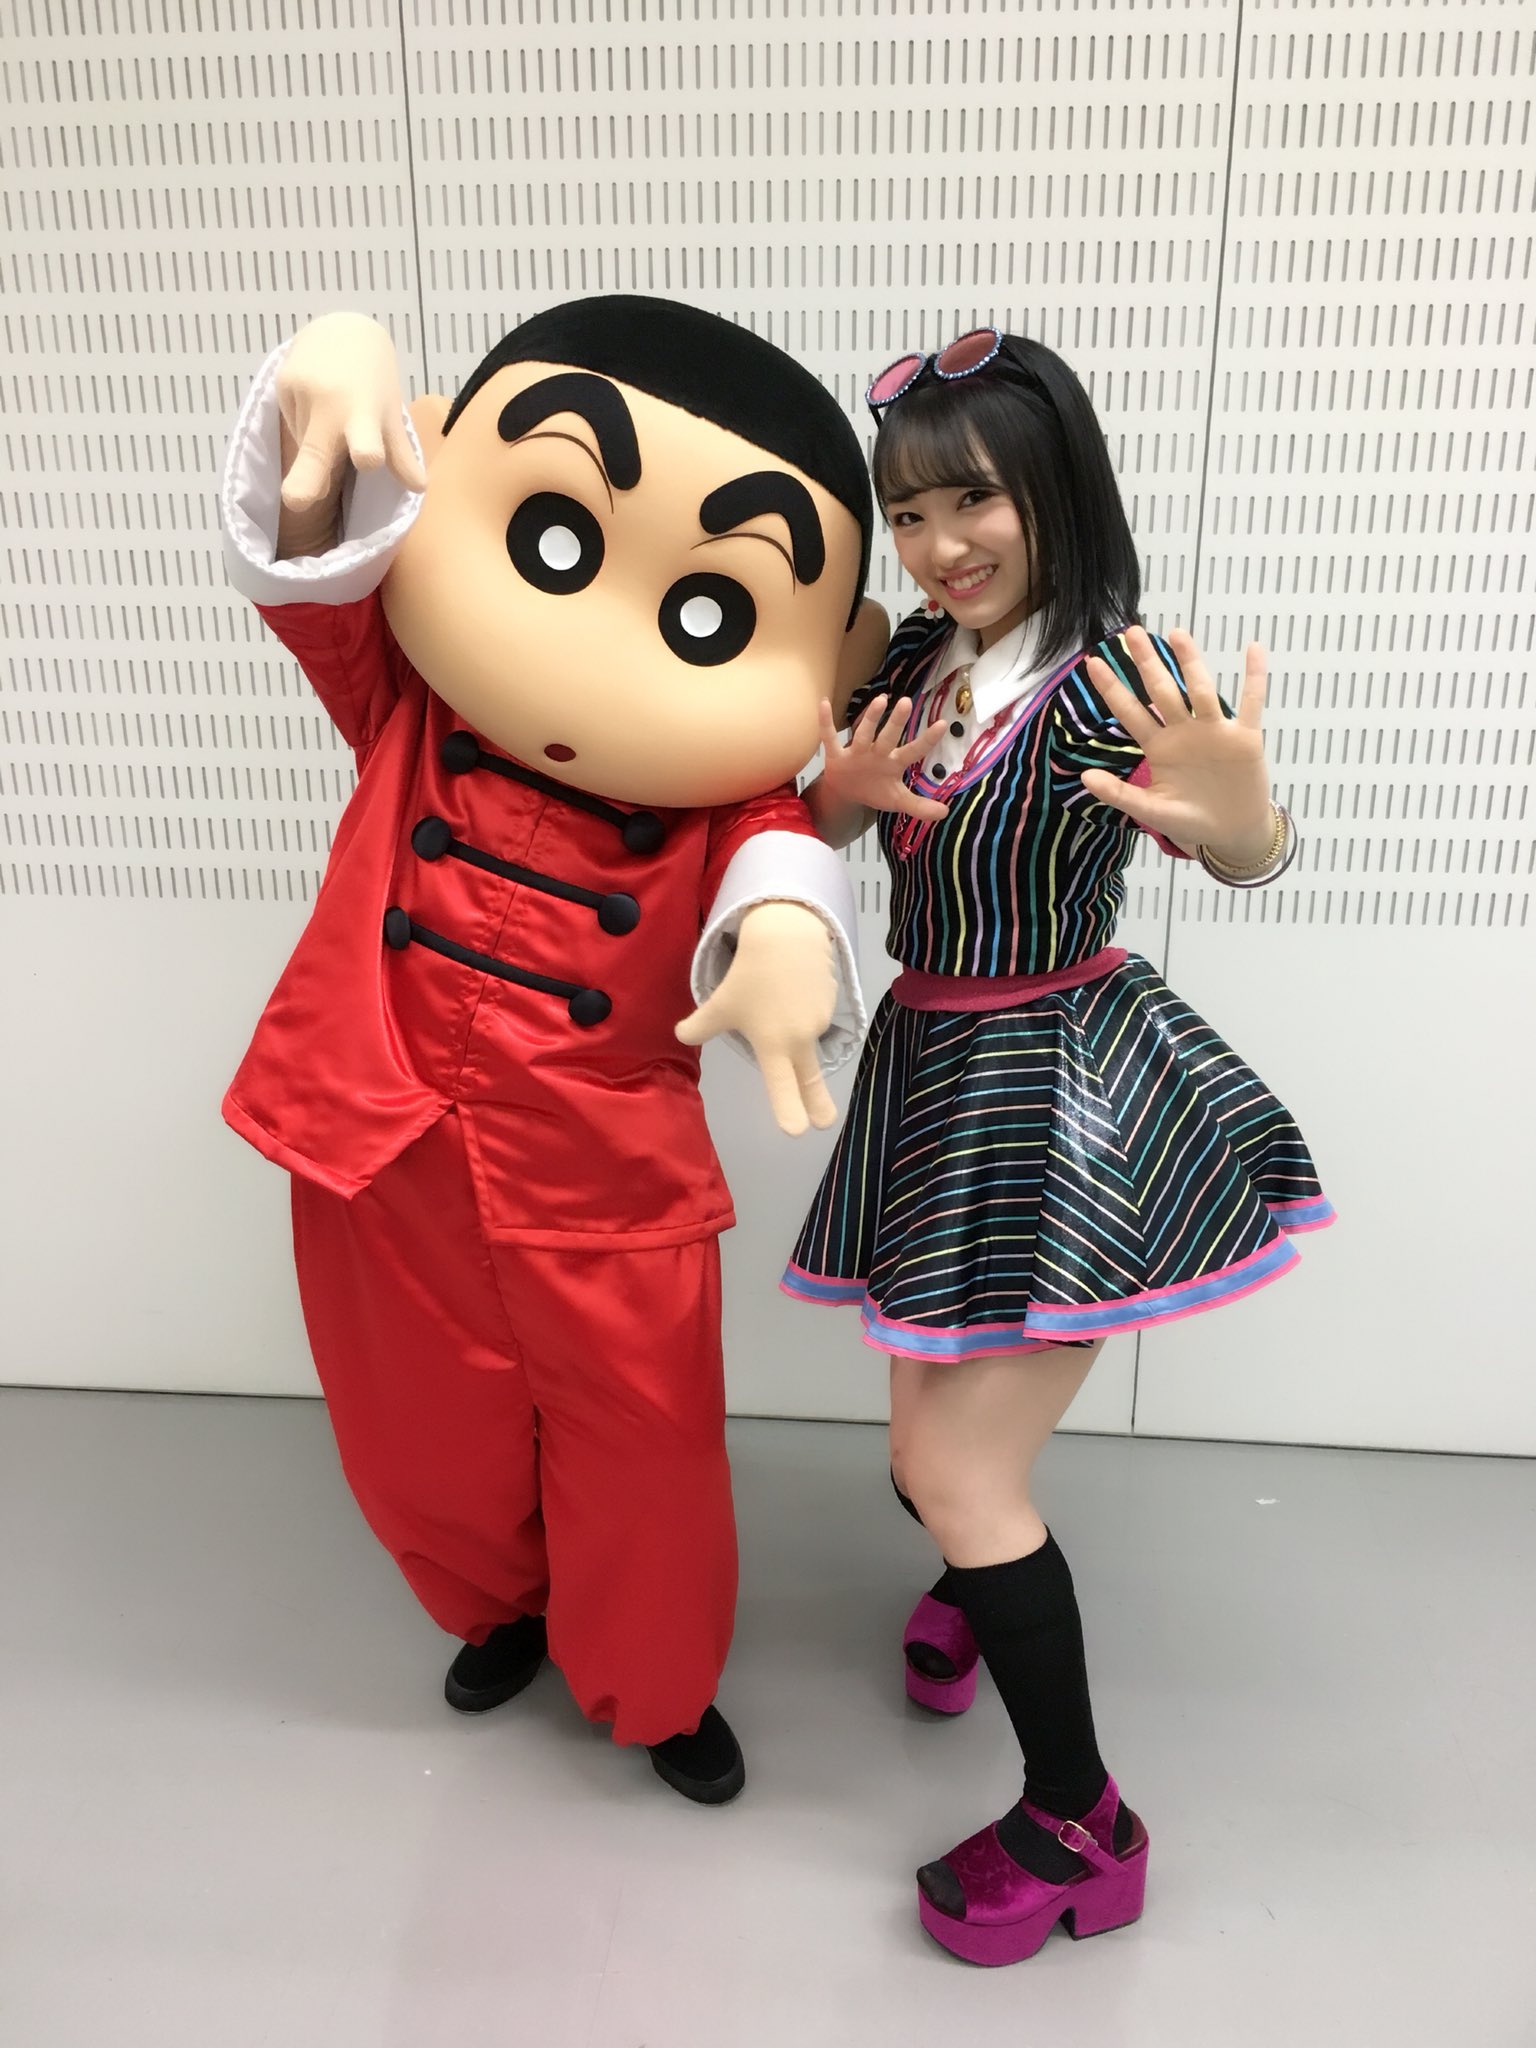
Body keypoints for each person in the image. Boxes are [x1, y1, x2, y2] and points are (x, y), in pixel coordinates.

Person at [218, 296, 890, 1804]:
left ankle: (653, 1686)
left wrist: (790, 934)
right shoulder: (402, 704)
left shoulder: (731, 805)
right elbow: (308, 563)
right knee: (415, 1428)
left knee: (647, 1451)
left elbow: (779, 864)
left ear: (837, 653)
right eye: (555, 540)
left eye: (710, 611)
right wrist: (323, 365)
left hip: (604, 1178)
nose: (596, 646)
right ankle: (498, 1605)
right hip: (380, 1133)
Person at [783, 328, 1333, 1960]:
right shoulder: (914, 661)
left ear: (1055, 488)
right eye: (909, 511)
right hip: (932, 1061)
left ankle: (1084, 1822)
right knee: (920, 1451)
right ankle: (982, 1581)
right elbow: (827, 821)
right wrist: (832, 798)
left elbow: (1242, 842)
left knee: (957, 1468)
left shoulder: (1112, 682)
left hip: (1066, 1092)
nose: (940, 544)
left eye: (975, 500)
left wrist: (1244, 821)